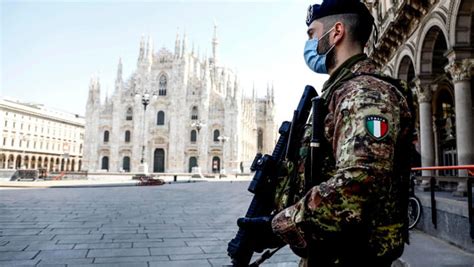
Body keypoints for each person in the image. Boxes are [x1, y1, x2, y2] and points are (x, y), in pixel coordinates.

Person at [238, 0, 415, 266]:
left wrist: (281, 225)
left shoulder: (364, 94)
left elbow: (357, 184)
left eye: (312, 33)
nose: (309, 43)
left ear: (336, 32)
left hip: (354, 257)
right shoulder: (340, 92)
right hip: (329, 252)